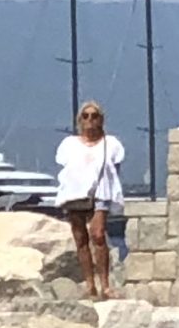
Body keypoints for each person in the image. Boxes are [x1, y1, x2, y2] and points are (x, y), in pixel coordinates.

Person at [53, 102, 125, 301]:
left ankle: (106, 285)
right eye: (85, 116)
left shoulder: (111, 143)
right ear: (79, 120)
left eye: (94, 115)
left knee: (98, 235)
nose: (90, 120)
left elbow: (115, 169)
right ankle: (90, 285)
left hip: (100, 193)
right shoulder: (69, 144)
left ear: (101, 119)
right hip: (74, 194)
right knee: (80, 239)